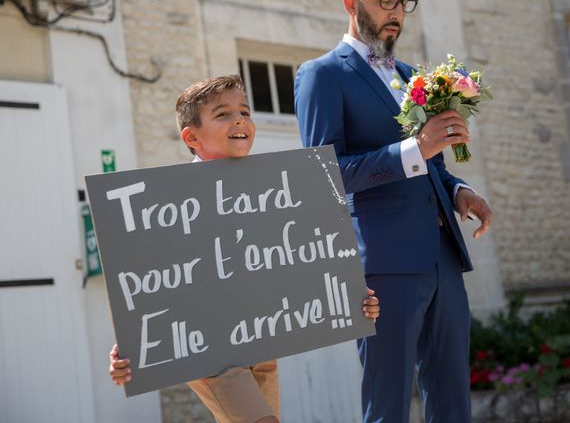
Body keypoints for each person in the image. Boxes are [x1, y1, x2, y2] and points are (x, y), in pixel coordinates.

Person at [108, 75, 381, 423]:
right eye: (223, 114)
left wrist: (350, 294)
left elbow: (297, 258)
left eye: (245, 111)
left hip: (261, 342)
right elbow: (151, 282)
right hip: (208, 351)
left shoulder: (272, 193)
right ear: (192, 137)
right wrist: (129, 345)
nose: (239, 120)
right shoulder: (166, 206)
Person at [294, 0, 493, 423]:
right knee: (388, 407)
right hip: (383, 267)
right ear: (351, 2)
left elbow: (432, 165)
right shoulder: (323, 74)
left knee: (452, 402)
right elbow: (323, 176)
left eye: (404, 2)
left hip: (443, 256)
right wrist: (416, 148)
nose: (396, 12)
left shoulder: (409, 76)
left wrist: (460, 188)